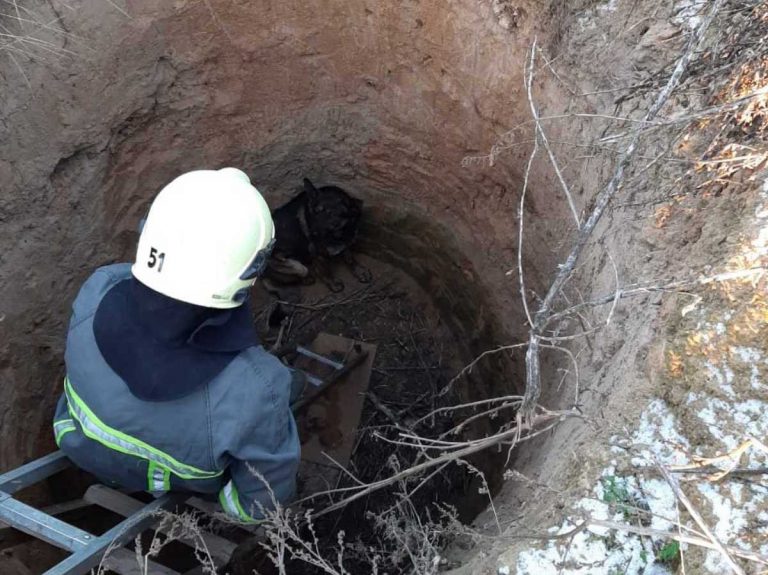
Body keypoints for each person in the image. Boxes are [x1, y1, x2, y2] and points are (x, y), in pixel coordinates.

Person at [52, 168, 301, 522]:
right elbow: (262, 504)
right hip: (162, 481)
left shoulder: (97, 289)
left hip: (78, 443)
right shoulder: (258, 388)